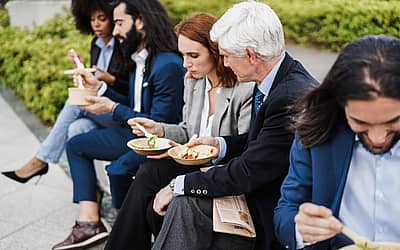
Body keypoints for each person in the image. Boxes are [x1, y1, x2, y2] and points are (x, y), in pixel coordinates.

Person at [139, 1, 316, 250]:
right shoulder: (278, 77)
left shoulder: (288, 95)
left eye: (226, 55)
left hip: (270, 212)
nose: (225, 62)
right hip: (259, 189)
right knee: (168, 200)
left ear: (251, 55)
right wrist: (220, 144)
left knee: (183, 203)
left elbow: (248, 171)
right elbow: (263, 142)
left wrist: (179, 184)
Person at [104, 12, 255, 250]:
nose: (186, 64)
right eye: (183, 55)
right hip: (192, 161)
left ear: (216, 52)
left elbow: (246, 148)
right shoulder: (194, 81)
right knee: (148, 172)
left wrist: (195, 151)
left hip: (221, 170)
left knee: (150, 177)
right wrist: (159, 129)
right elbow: (187, 131)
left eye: (193, 55)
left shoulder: (243, 89)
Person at [51, 0, 185, 249]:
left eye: (120, 23)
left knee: (118, 170)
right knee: (76, 144)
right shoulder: (140, 58)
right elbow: (133, 103)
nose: (114, 31)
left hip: (156, 141)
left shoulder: (167, 65)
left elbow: (158, 124)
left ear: (141, 21)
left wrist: (111, 108)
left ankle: (131, 230)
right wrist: (100, 90)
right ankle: (91, 221)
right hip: (133, 133)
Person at [274, 35, 400, 250]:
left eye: (393, 121)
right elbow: (287, 208)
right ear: (340, 105)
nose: (378, 138)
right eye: (360, 122)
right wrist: (301, 228)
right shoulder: (317, 130)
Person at [1, 0, 129, 184]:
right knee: (76, 129)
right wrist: (80, 67)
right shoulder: (96, 44)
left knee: (75, 101)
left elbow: (129, 87)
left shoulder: (122, 45)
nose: (97, 24)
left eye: (102, 18)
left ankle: (40, 160)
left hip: (118, 110)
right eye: (92, 19)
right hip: (99, 108)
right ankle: (92, 193)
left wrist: (111, 80)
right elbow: (95, 81)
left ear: (112, 18)